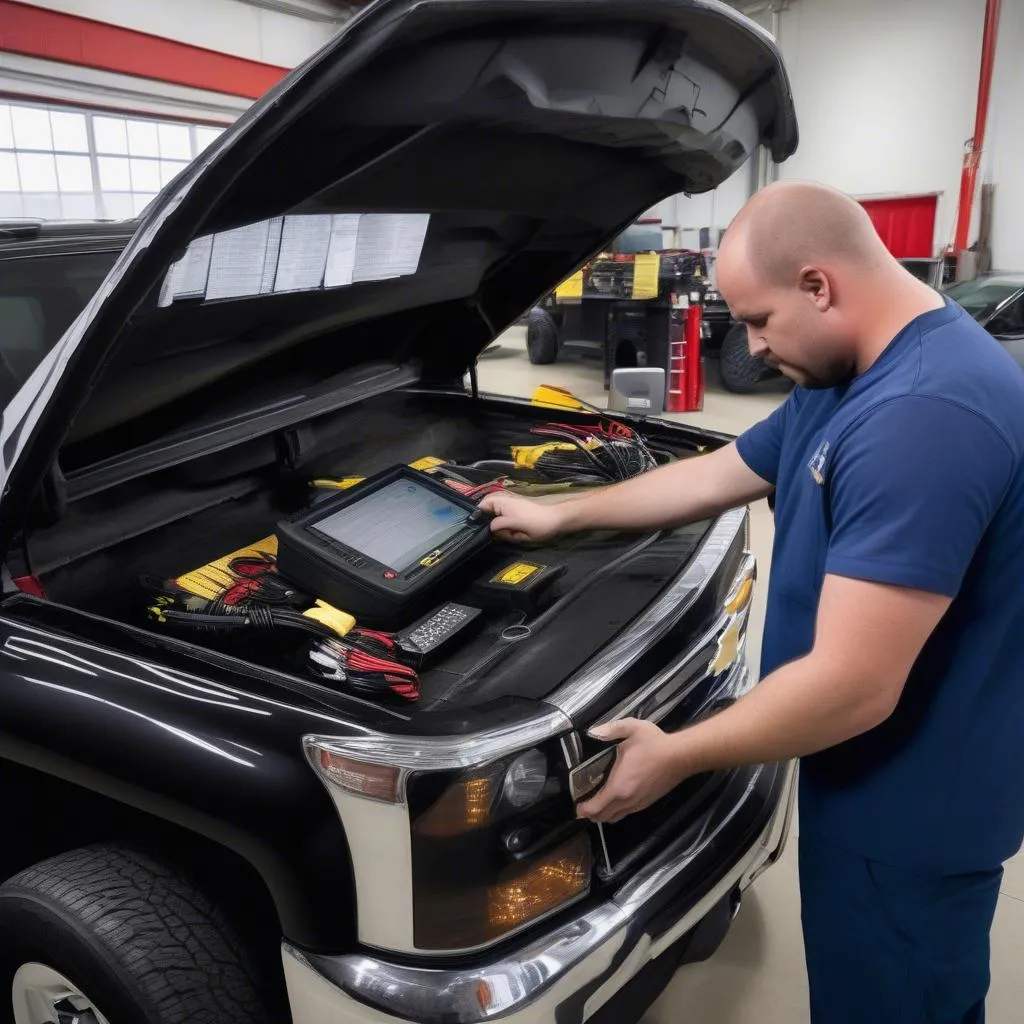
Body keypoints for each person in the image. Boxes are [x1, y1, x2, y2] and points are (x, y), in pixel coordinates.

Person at [479, 180, 1024, 1024]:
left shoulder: (924, 415)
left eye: (761, 321)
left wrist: (679, 753)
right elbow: (720, 473)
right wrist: (558, 515)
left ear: (819, 284)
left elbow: (852, 686)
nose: (756, 348)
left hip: (912, 809)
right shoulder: (846, 374)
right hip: (861, 778)